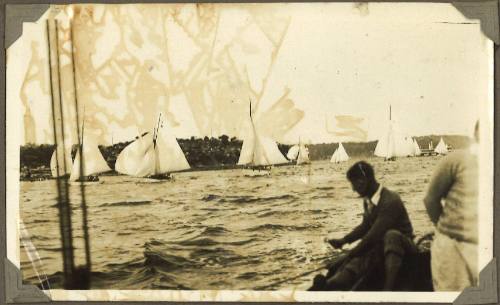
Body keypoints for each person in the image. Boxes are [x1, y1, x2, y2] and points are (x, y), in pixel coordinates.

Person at [315, 161, 416, 291]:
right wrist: (344, 240)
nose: (353, 189)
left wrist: (348, 255)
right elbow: (365, 227)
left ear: (363, 181)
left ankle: (388, 291)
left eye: (353, 183)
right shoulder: (369, 200)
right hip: (381, 247)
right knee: (353, 263)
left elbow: (373, 236)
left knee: (391, 236)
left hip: (402, 249)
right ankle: (333, 283)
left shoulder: (391, 200)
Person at [424, 122, 479, 291]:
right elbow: (431, 199)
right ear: (477, 133)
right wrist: (445, 229)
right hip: (454, 249)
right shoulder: (457, 160)